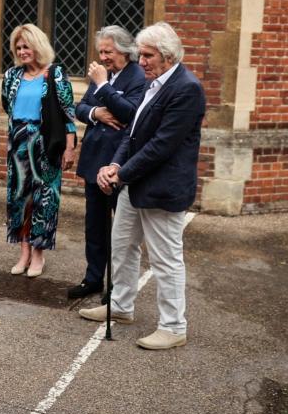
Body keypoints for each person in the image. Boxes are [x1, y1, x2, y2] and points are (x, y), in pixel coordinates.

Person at [79, 22, 206, 351]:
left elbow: (161, 146)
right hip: (134, 185)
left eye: (148, 55)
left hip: (162, 189)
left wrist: (121, 175)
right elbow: (132, 134)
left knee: (166, 259)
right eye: (142, 54)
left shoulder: (185, 88)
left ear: (166, 56)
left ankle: (174, 326)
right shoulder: (155, 83)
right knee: (121, 246)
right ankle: (120, 306)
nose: (142, 60)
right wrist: (115, 165)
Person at [67, 26, 146, 299]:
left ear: (125, 50)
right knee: (95, 225)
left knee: (121, 229)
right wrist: (96, 112)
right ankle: (93, 278)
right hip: (93, 159)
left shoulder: (138, 76)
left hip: (118, 163)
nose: (103, 57)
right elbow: (80, 108)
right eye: (100, 51)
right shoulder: (105, 73)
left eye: (108, 51)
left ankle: (117, 286)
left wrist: (102, 86)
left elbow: (131, 113)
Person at [0, 24, 76, 278]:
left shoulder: (54, 74)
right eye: (18, 47)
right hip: (18, 144)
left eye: (26, 46)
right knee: (20, 198)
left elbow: (68, 114)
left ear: (38, 46)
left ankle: (38, 255)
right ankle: (23, 252)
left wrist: (70, 147)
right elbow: (6, 106)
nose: (22, 51)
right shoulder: (12, 76)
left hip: (46, 145)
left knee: (44, 200)